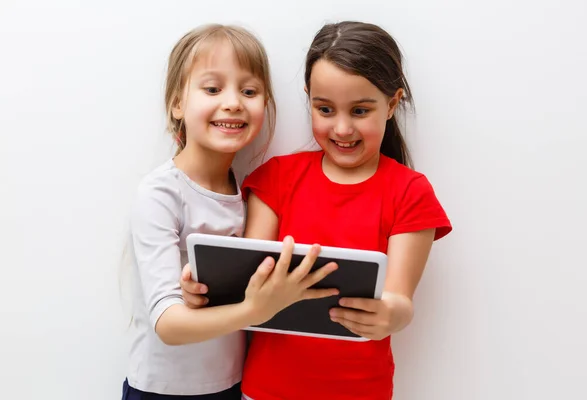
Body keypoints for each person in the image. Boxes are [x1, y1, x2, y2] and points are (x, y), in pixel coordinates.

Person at [181, 21, 453, 399]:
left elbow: (400, 300)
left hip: (360, 391)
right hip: (267, 389)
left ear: (391, 104)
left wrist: (391, 315)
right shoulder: (276, 178)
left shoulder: (409, 191)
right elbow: (246, 280)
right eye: (325, 109)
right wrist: (201, 292)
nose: (342, 128)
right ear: (308, 98)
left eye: (360, 110)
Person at [122, 24, 339, 400]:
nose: (234, 102)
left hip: (232, 385)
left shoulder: (249, 193)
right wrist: (254, 310)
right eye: (212, 89)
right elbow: (168, 324)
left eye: (249, 91)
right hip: (162, 390)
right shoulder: (160, 193)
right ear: (177, 103)